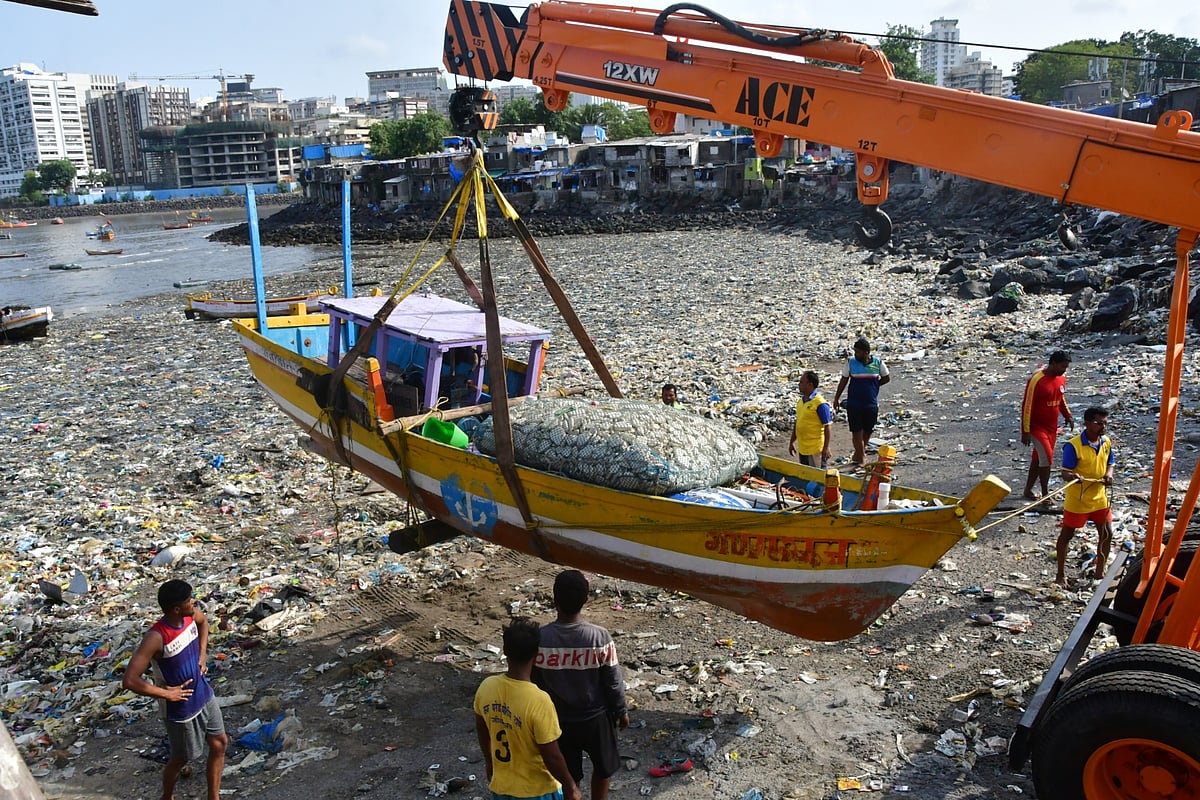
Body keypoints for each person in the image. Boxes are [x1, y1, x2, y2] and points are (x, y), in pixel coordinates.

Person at [122, 579, 227, 800]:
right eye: (189, 601)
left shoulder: (190, 617)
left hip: (203, 693)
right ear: (176, 608)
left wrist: (202, 654)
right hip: (181, 710)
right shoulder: (156, 637)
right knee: (181, 758)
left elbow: (204, 622)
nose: (194, 603)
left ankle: (214, 797)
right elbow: (130, 680)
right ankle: (167, 796)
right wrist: (168, 694)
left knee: (219, 743)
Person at [533, 571, 629, 800]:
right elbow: (613, 681)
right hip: (596, 718)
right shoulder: (599, 637)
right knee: (603, 769)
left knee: (568, 776)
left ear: (554, 599)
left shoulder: (540, 638)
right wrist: (621, 710)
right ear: (586, 599)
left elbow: (535, 683)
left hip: (557, 721)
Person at [475, 618, 581, 800]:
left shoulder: (486, 687)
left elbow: (482, 729)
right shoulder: (539, 700)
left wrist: (489, 761)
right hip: (538, 791)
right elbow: (552, 756)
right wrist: (570, 786)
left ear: (505, 651)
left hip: (502, 788)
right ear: (537, 654)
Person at [1055, 406, 1114, 587]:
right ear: (1087, 423)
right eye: (1098, 423)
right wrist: (1073, 477)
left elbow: (1110, 462)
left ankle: (1099, 572)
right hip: (1078, 500)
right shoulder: (1073, 446)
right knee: (1067, 535)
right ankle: (1060, 574)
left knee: (1107, 533)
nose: (1102, 427)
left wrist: (1109, 474)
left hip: (1100, 497)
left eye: (1104, 423)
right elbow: (1065, 472)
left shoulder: (1105, 442)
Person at [1021, 350, 1074, 502]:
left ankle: (1028, 489)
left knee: (1038, 458)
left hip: (1052, 427)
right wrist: (1025, 431)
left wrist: (1068, 415)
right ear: (1053, 364)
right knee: (1047, 459)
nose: (1065, 370)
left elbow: (1060, 398)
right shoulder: (1037, 379)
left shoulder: (1061, 378)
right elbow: (1027, 405)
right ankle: (1046, 495)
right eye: (1063, 366)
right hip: (1037, 428)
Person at [832, 338, 890, 467]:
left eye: (858, 352)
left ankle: (858, 453)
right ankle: (862, 457)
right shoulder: (850, 363)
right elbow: (843, 381)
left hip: (871, 404)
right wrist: (836, 398)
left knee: (867, 431)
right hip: (854, 403)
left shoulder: (878, 363)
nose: (855, 354)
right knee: (856, 431)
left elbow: (886, 378)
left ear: (866, 352)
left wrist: (874, 386)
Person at [788, 370, 833, 468]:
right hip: (803, 448)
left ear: (810, 384)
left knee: (817, 477)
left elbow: (827, 426)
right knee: (806, 475)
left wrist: (826, 448)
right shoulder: (801, 401)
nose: (799, 385)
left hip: (816, 449)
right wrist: (792, 442)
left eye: (801, 382)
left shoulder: (820, 404)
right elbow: (798, 422)